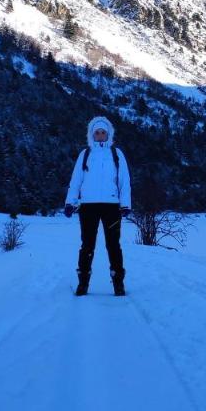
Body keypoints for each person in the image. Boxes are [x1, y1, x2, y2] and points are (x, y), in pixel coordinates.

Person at [63, 115, 132, 296]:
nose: (100, 135)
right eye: (97, 133)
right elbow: (76, 180)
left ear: (108, 134)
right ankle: (83, 283)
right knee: (87, 245)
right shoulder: (85, 155)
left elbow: (125, 181)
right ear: (92, 135)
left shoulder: (117, 154)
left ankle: (118, 283)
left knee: (113, 245)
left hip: (112, 206)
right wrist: (70, 202)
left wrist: (125, 204)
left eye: (103, 132)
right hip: (88, 207)